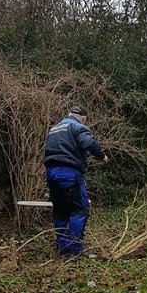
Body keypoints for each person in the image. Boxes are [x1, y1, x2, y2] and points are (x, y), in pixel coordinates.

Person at [44, 105, 108, 256]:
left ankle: (62, 248)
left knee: (60, 210)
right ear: (84, 118)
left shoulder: (55, 128)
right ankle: (74, 250)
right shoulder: (78, 127)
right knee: (78, 209)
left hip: (51, 173)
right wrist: (102, 157)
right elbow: (89, 143)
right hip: (69, 174)